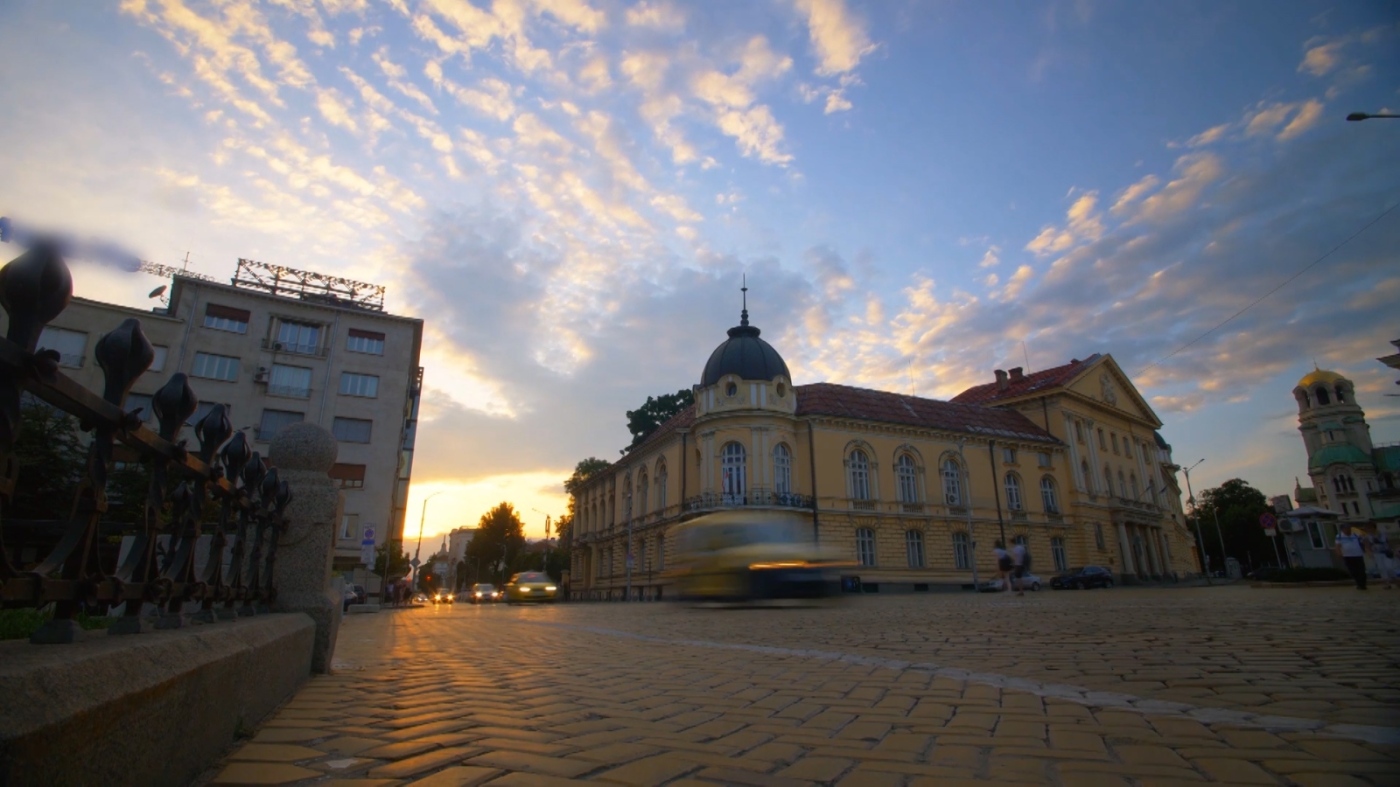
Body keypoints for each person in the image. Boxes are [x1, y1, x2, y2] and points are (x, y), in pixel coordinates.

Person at [1335, 523, 1369, 590]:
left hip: (1358, 555)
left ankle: (1362, 584)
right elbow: (1337, 546)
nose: (1348, 530)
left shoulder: (1356, 535)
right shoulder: (1339, 536)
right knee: (1353, 571)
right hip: (1347, 556)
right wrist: (1339, 553)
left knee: (1361, 570)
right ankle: (1358, 583)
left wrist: (1366, 548)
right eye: (1346, 529)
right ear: (1342, 529)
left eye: (1349, 528)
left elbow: (1364, 541)